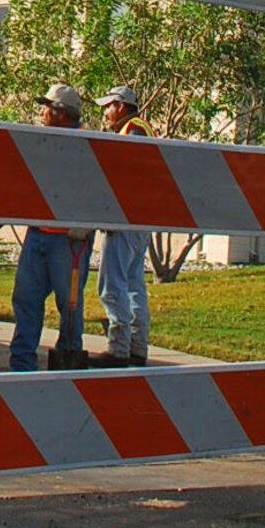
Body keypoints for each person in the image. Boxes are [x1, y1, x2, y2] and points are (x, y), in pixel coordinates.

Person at [8, 83, 95, 371]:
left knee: (68, 305)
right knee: (26, 298)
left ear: (60, 113)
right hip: (38, 235)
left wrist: (85, 224)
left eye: (47, 107)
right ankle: (22, 363)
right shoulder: (44, 139)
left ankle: (68, 357)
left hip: (69, 240)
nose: (42, 112)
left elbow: (95, 189)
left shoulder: (86, 143)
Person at [95, 86, 154, 366]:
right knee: (133, 285)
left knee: (112, 284)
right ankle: (137, 348)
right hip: (140, 220)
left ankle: (118, 349)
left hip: (125, 219)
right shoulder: (140, 128)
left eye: (108, 106)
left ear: (120, 106)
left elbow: (126, 172)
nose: (105, 112)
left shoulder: (133, 130)